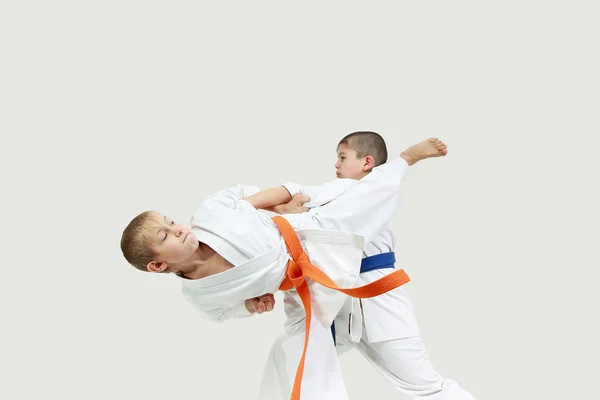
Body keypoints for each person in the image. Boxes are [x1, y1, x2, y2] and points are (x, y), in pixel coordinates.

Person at [120, 138, 447, 399]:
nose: (177, 228)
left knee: (359, 197)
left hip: (310, 233)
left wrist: (283, 204)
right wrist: (249, 303)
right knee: (298, 364)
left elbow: (246, 196)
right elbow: (222, 311)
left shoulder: (209, 214)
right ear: (159, 264)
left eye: (171, 221)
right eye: (166, 235)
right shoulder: (200, 295)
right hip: (302, 288)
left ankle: (405, 159)